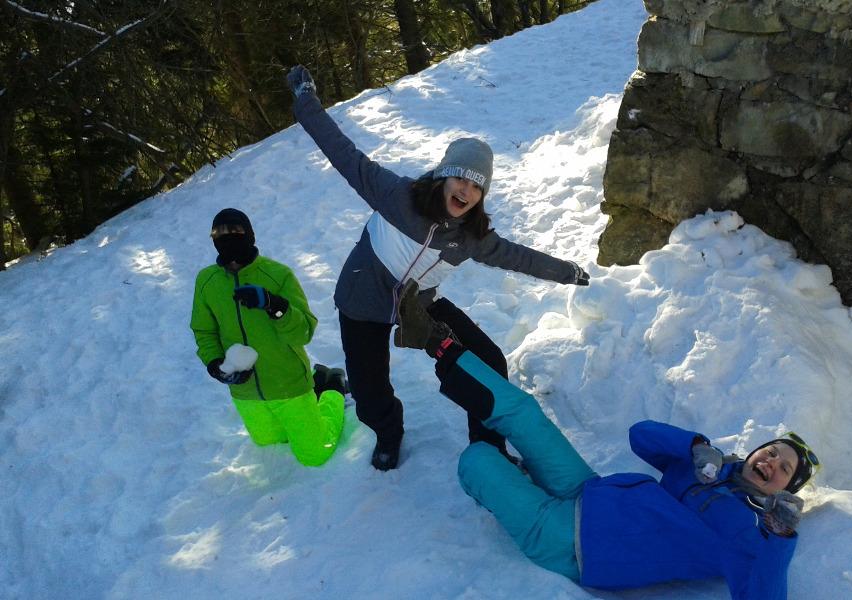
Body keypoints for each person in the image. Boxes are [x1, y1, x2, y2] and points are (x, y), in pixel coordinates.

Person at [394, 282, 818, 599]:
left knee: (478, 459)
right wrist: (693, 446)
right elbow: (641, 437)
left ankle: (507, 477)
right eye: (772, 451)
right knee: (525, 413)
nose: (771, 462)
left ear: (784, 491)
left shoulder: (746, 532)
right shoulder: (710, 466)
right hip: (588, 490)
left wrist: (779, 538)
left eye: (784, 470)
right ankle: (434, 341)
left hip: (573, 544)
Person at [285, 65, 591, 471]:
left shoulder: (471, 236)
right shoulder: (396, 195)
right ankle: (388, 433)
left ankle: (489, 447)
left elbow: (518, 256)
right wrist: (306, 101)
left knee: (487, 360)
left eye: (477, 186)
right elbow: (343, 153)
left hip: (418, 305)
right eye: (461, 179)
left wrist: (566, 271)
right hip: (363, 301)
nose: (467, 190)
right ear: (444, 177)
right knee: (369, 393)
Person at [190, 208, 347, 467]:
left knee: (315, 454)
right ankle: (318, 378)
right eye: (219, 233)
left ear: (249, 234)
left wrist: (274, 305)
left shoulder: (277, 275)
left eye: (235, 230)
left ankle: (332, 388)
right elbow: (204, 331)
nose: (227, 237)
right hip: (244, 390)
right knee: (269, 441)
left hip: (287, 382)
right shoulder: (207, 281)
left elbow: (304, 332)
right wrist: (215, 364)